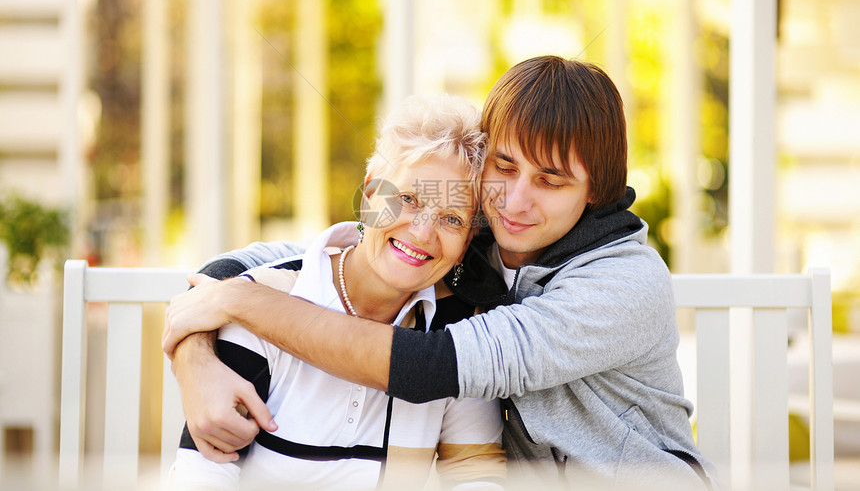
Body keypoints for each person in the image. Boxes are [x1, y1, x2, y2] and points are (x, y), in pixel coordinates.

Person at [164, 56, 718, 490]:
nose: (516, 200)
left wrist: (242, 303)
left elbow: (430, 367)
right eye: (504, 166)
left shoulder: (622, 284)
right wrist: (195, 360)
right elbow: (283, 258)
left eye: (550, 181)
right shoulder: (474, 235)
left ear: (594, 189)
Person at [168, 95, 506, 490]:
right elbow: (203, 476)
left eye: (451, 218)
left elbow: (475, 474)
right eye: (408, 200)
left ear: (467, 241)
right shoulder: (261, 302)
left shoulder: (456, 329)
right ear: (368, 198)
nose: (422, 232)